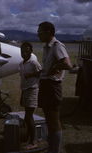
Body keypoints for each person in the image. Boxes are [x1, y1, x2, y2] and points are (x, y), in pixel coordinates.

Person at [37, 21, 72, 153]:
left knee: (54, 121)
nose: (37, 34)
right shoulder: (47, 47)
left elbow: (68, 65)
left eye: (39, 32)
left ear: (48, 32)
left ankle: (54, 150)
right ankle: (51, 148)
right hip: (46, 85)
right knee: (48, 119)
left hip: (52, 86)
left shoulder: (57, 46)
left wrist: (55, 67)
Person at [19, 42, 42, 150]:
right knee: (27, 116)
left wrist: (31, 75)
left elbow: (42, 72)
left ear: (31, 52)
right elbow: (23, 80)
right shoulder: (21, 64)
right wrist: (22, 93)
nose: (24, 53)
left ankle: (34, 141)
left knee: (29, 116)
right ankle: (28, 137)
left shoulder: (33, 62)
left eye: (26, 51)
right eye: (22, 50)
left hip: (33, 90)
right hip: (25, 90)